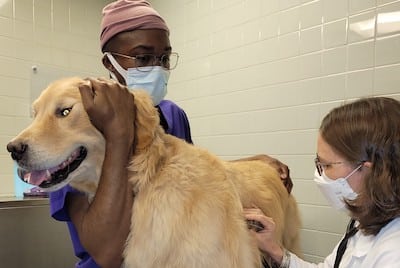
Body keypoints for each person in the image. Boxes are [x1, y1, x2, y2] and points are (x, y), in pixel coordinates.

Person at [49, 1, 293, 267]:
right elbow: (106, 253)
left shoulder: (171, 114)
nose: (157, 68)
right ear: (109, 62)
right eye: (143, 58)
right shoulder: (77, 128)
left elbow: (191, 179)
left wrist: (254, 164)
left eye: (164, 58)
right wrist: (119, 132)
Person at [245, 97, 400, 268]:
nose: (320, 175)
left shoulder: (393, 254)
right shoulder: (366, 220)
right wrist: (274, 250)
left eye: (327, 165)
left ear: (367, 170)